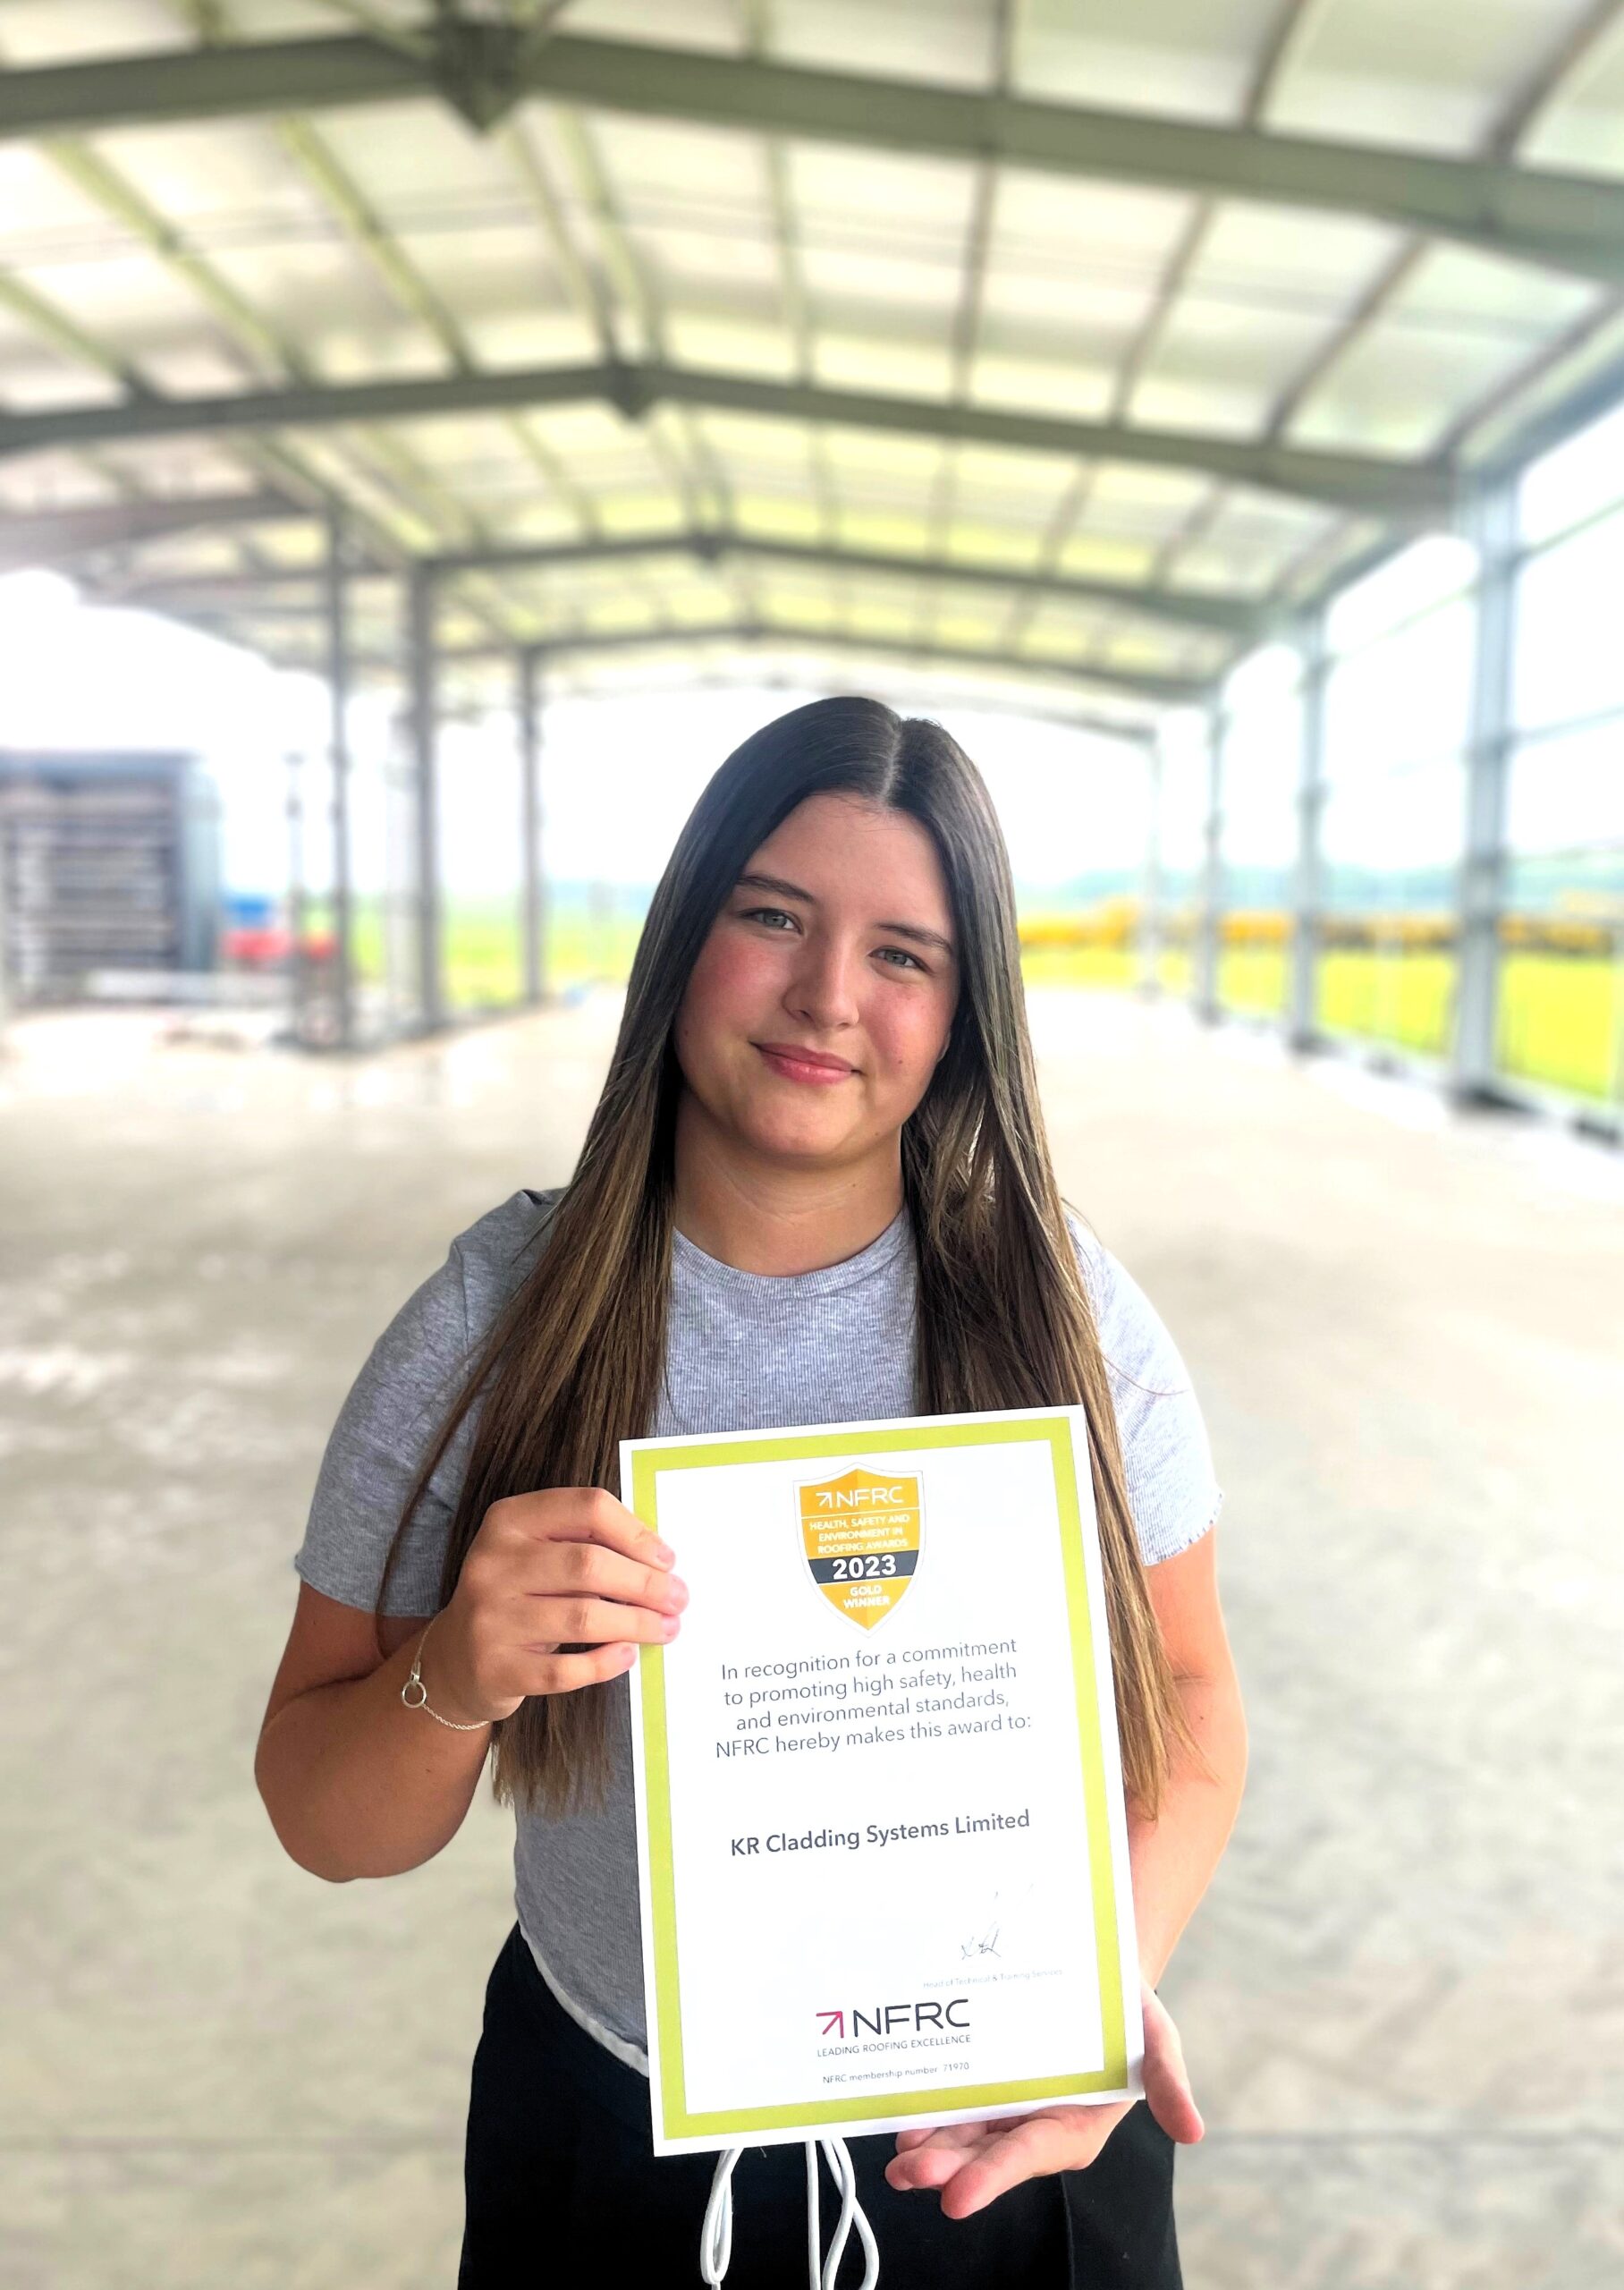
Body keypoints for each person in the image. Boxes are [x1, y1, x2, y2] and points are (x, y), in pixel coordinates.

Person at [255, 694, 1248, 2288]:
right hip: (618, 2131)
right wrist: (459, 1668)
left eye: (902, 954)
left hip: (1010, 2140)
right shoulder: (499, 1318)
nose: (824, 997)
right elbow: (325, 1817)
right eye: (772, 915)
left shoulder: (1063, 1308)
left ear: (964, 1007)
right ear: (683, 934)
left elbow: (1191, 1702)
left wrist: (1094, 1986)